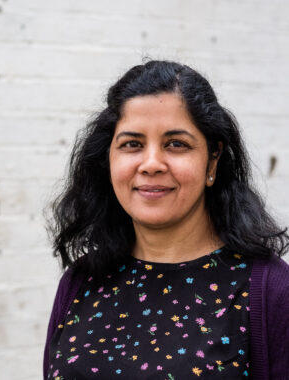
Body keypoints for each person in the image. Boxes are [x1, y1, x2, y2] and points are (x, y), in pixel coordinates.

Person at [43, 60, 289, 379]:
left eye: (176, 144)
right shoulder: (81, 282)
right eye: (132, 144)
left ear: (212, 159)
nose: (151, 164)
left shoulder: (269, 291)